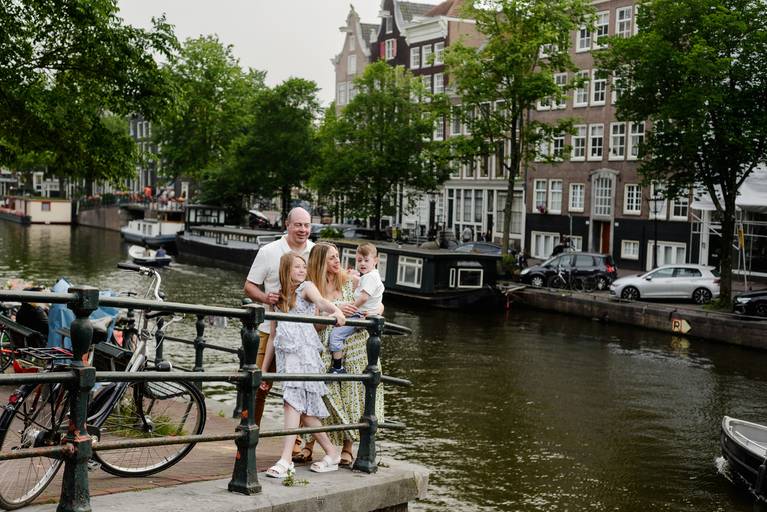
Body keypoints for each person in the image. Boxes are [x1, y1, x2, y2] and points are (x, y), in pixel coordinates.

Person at [295, 241, 384, 468]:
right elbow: (311, 326)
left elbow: (377, 302)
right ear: (321, 262)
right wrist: (333, 314)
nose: (337, 261)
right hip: (326, 347)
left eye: (338, 256)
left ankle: (347, 448)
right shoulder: (313, 287)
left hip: (355, 346)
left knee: (352, 395)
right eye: (332, 258)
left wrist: (373, 312)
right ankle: (311, 444)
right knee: (322, 395)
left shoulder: (350, 281)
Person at [259, 253, 345, 478]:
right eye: (297, 267)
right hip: (287, 357)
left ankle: (286, 460)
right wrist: (265, 371)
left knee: (291, 403)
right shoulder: (277, 297)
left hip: (304, 355)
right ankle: (332, 452)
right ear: (286, 269)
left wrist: (336, 311)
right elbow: (272, 335)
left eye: (304, 266)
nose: (302, 270)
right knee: (303, 411)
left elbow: (320, 302)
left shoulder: (306, 287)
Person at [243, 207, 313, 429]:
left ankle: (297, 445)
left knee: (301, 389)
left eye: (307, 225)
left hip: (303, 335)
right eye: (298, 224)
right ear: (287, 224)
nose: (303, 230)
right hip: (269, 330)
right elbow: (249, 286)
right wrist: (265, 297)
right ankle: (247, 440)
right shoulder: (269, 251)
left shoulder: (315, 252)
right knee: (257, 386)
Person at [327, 243, 384, 374]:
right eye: (359, 260)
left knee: (336, 335)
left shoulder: (370, 277)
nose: (362, 263)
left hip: (359, 314)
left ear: (375, 260)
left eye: (366, 260)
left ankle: (337, 367)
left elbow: (364, 298)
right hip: (362, 314)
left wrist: (348, 310)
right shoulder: (369, 276)